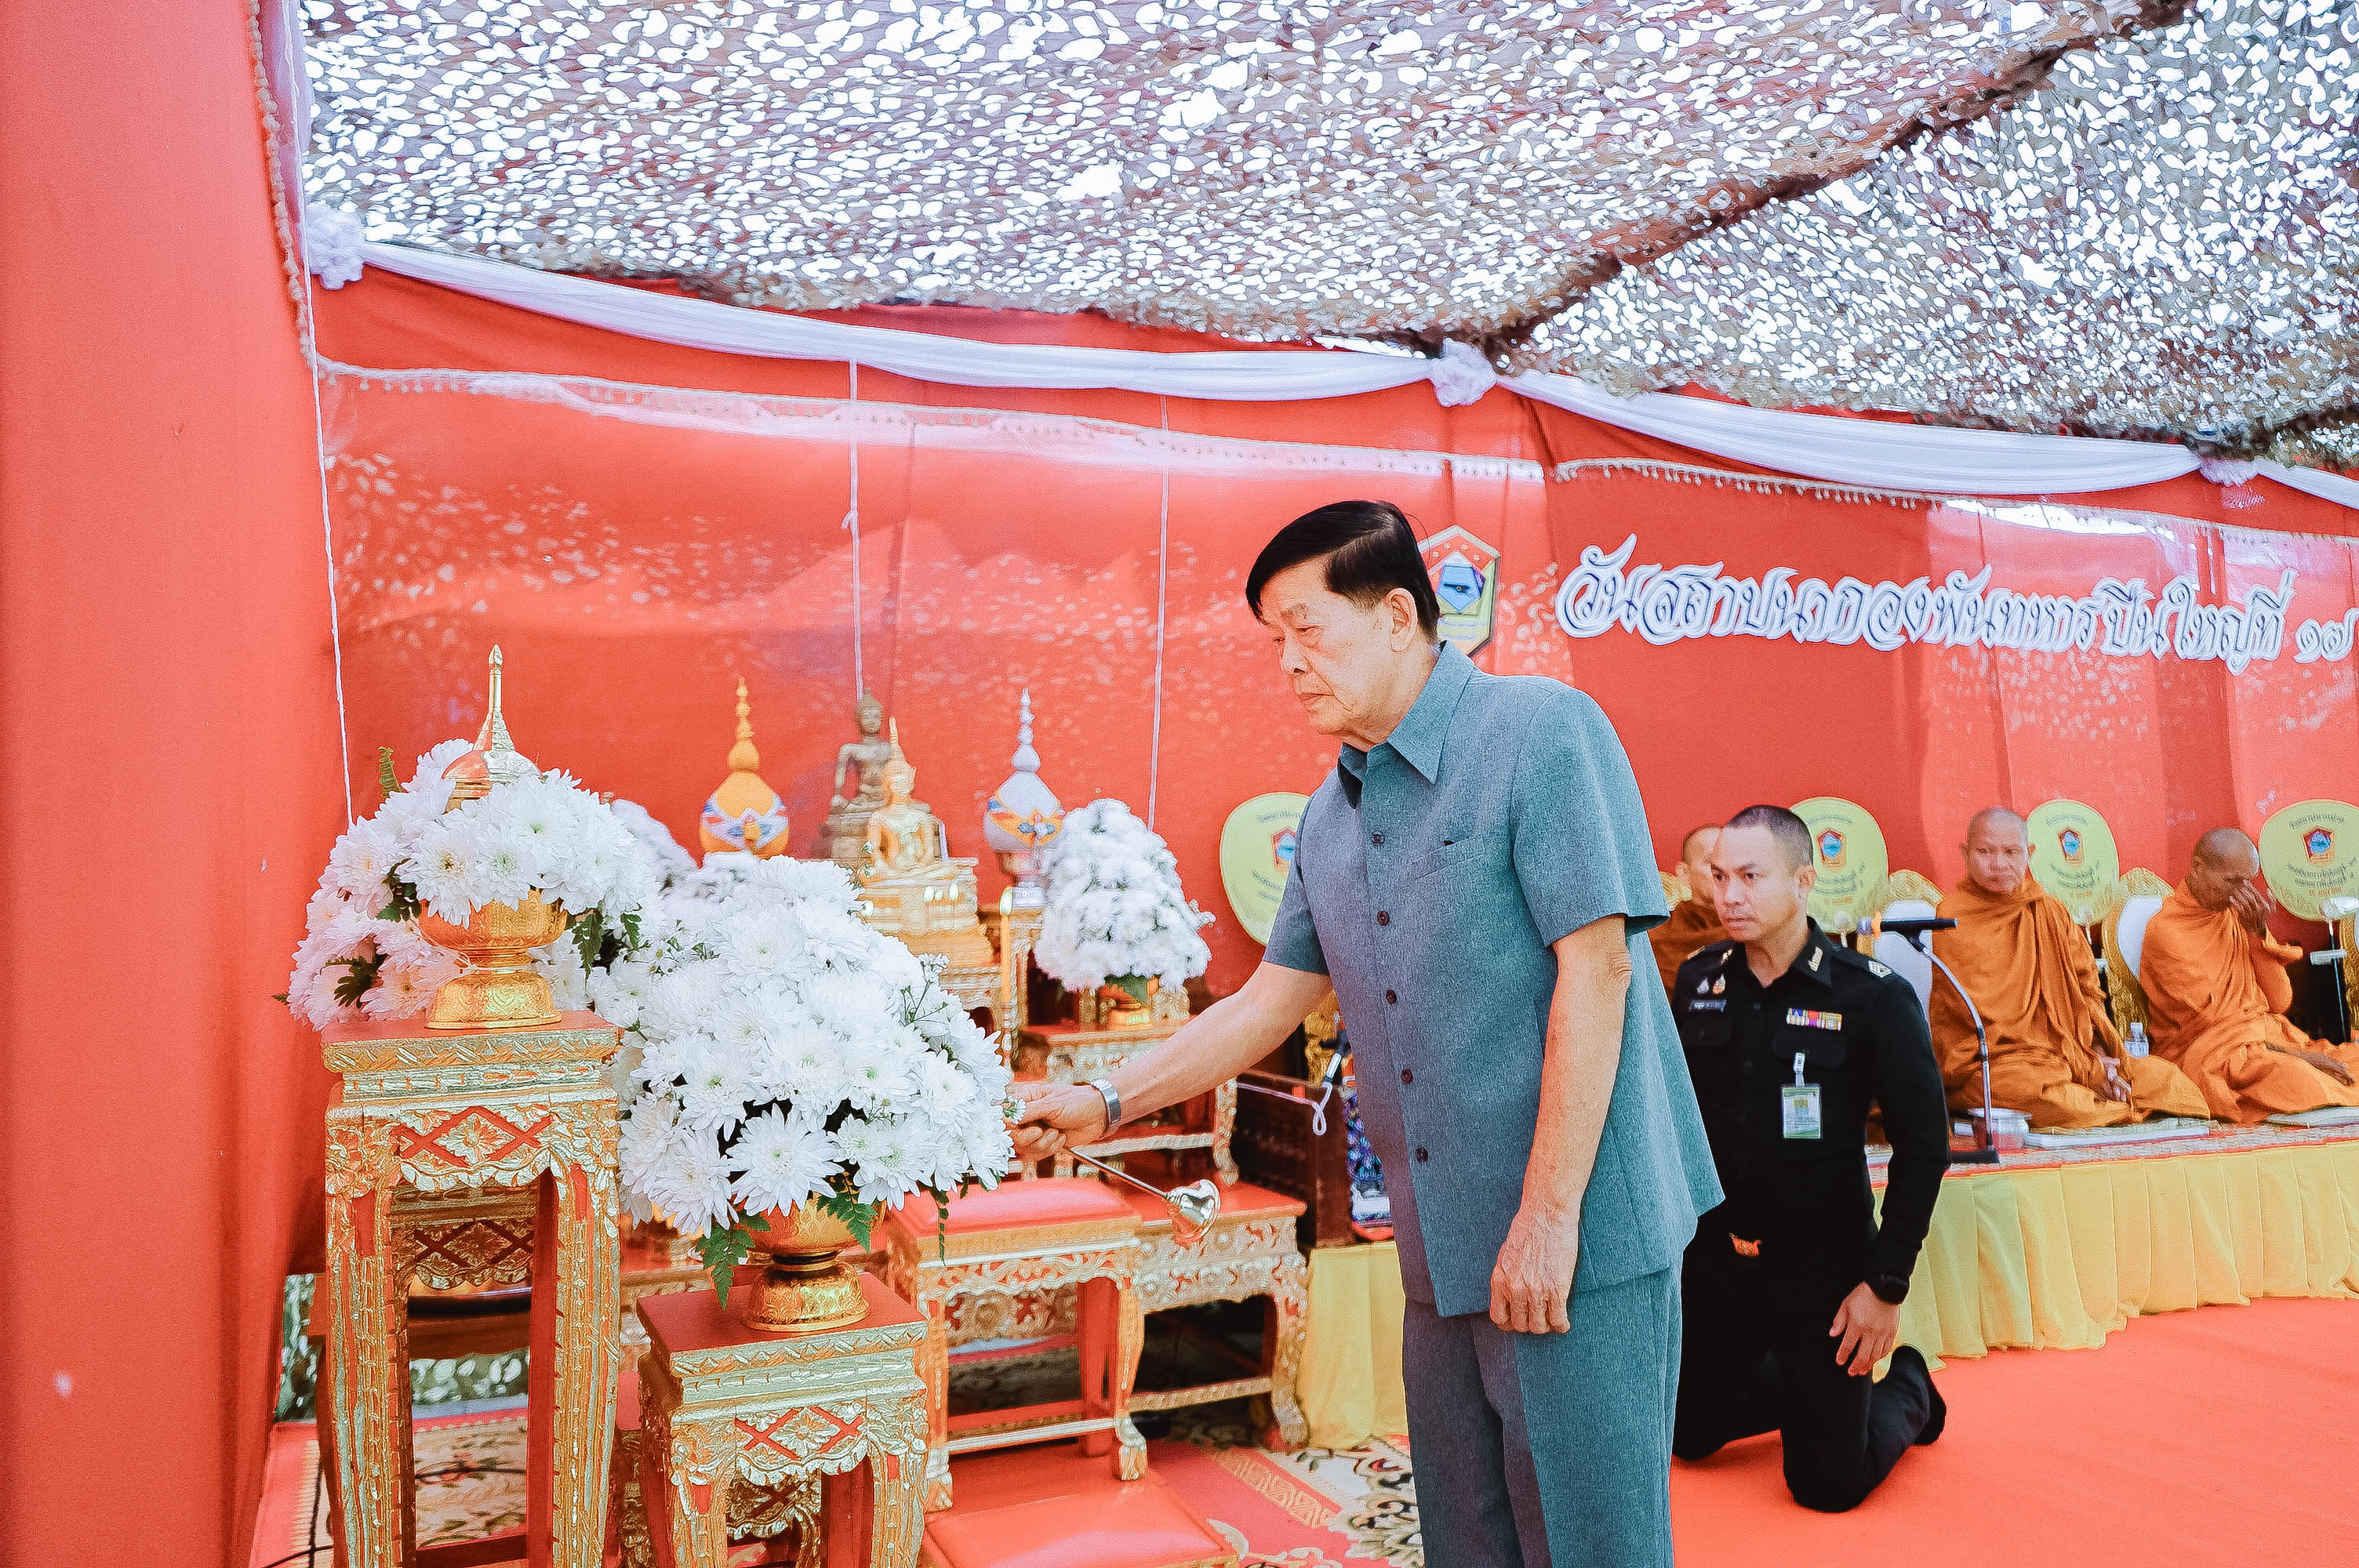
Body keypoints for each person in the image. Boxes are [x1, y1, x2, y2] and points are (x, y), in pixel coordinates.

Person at [1015, 500, 1721, 1568]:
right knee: (1466, 1535)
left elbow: (1599, 970)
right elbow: (1265, 1003)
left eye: (1307, 630)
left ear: (1397, 616)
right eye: (1274, 641)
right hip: (1441, 1242)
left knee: (1590, 1544)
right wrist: (1103, 1100)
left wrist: (1547, 1218)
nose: (1288, 664)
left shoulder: (1541, 731)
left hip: (1578, 1230)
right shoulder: (1330, 815)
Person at [1670, 805, 1950, 1512]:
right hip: (1720, 1264)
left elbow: (1925, 1146)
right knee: (1688, 1436)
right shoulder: (1699, 983)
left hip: (1821, 1272)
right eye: (1719, 877)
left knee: (1827, 1486)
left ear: (1802, 882)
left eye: (1750, 877)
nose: (1729, 895)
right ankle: (1807, 1390)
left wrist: (1885, 1287)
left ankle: (1909, 1385)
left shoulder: (1871, 995)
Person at [1930, 808, 2208, 1127]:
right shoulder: (1954, 916)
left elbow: (2085, 991)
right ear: (1966, 854)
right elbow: (1977, 1016)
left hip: (2071, 1054)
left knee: (2167, 1080)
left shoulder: (2050, 911)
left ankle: (2102, 1100)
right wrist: (2083, 1069)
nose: (1999, 864)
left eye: (2011, 852)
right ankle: (2108, 1106)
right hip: (1999, 1063)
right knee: (2035, 1092)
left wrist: (2098, 1057)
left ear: (2029, 853)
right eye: (1985, 852)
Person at [2135, 827, 2359, 1123]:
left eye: (2248, 882)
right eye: (2233, 881)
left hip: (2265, 1039)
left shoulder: (2237, 916)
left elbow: (2279, 1002)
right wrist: (2301, 1057)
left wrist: (2257, 933)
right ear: (2198, 868)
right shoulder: (2168, 932)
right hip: (2212, 1055)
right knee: (2305, 1082)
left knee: (2353, 1063)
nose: (2242, 893)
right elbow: (2216, 1027)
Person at [1650, 823, 1727, 999]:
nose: (1724, 871)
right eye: (1711, 861)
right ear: (1684, 873)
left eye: (1732, 862)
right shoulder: (1657, 939)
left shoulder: (1757, 933)